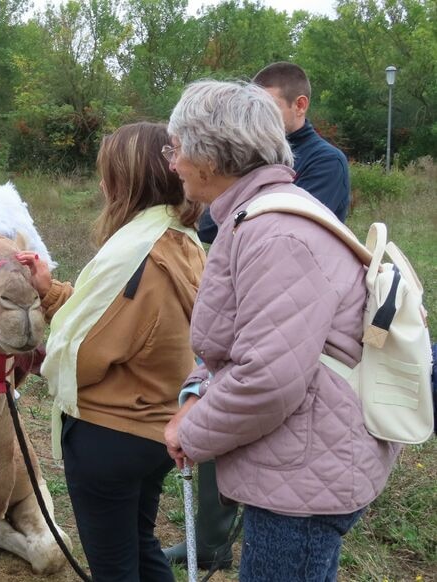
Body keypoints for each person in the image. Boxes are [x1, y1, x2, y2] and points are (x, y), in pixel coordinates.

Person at [162, 80, 399, 582]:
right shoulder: (259, 218)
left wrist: (192, 431)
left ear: (210, 155)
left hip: (304, 475)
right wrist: (196, 393)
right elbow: (246, 345)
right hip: (301, 459)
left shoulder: (276, 236)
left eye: (177, 148)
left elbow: (268, 378)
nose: (172, 162)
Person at [18, 122, 205, 581]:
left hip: (111, 433)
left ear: (129, 180)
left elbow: (84, 351)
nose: (102, 184)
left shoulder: (135, 255)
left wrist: (43, 348)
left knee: (114, 569)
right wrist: (51, 292)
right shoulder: (180, 240)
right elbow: (122, 324)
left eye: (108, 173)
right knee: (141, 546)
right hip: (157, 425)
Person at [195, 62, 350, 244]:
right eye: (252, 108)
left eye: (267, 107)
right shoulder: (251, 154)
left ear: (300, 105)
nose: (256, 117)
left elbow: (285, 234)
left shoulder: (326, 162)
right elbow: (208, 227)